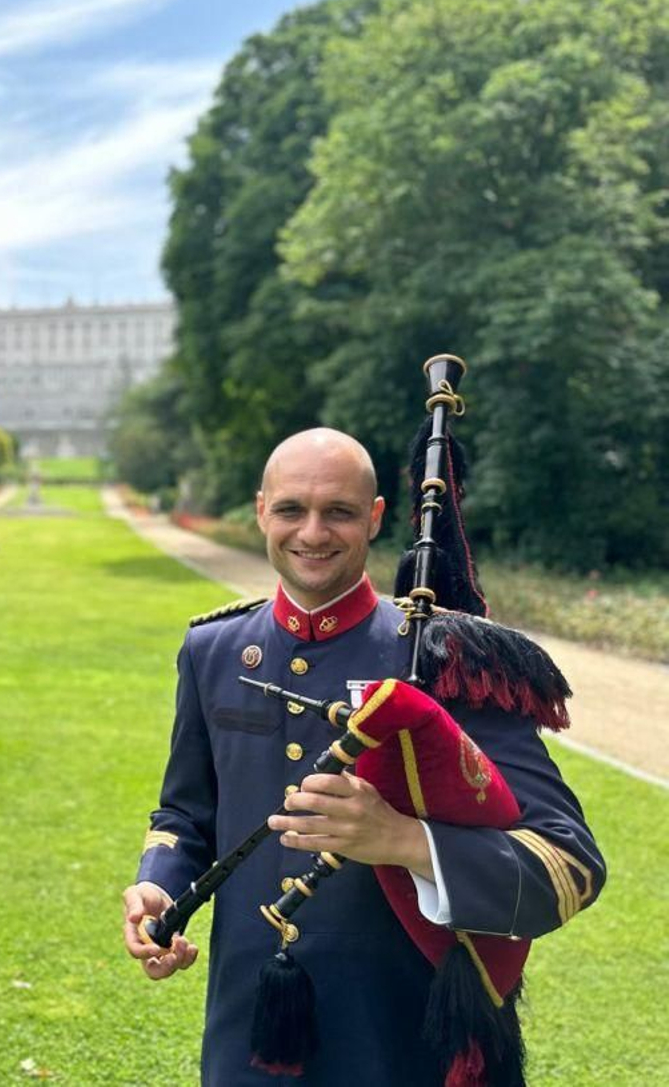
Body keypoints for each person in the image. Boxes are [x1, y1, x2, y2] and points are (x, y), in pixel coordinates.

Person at [121, 428, 604, 1085]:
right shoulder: (214, 650)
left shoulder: (451, 661)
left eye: (339, 512)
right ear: (261, 509)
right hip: (247, 1034)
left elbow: (569, 865)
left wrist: (404, 840)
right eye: (292, 509)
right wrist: (158, 886)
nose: (313, 532)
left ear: (375, 519)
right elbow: (185, 814)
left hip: (404, 1041)